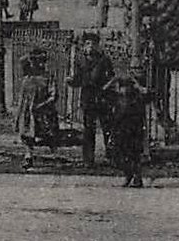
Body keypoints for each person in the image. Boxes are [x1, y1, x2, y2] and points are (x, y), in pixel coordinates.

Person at [67, 33, 114, 167]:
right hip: (87, 96)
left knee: (107, 126)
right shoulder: (80, 60)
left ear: (98, 45)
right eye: (87, 43)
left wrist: (106, 88)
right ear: (84, 45)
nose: (90, 46)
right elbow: (77, 78)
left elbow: (111, 77)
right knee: (88, 128)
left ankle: (110, 156)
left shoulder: (104, 59)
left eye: (93, 43)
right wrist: (71, 82)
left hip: (102, 96)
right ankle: (88, 159)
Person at [13, 52, 58, 171]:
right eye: (36, 61)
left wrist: (43, 104)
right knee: (27, 133)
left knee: (45, 134)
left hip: (43, 111)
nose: (40, 64)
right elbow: (21, 60)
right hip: (27, 110)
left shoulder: (48, 77)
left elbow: (53, 96)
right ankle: (28, 156)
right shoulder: (27, 76)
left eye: (42, 61)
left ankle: (53, 153)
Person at [106, 71, 148, 187]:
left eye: (124, 87)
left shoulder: (136, 98)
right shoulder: (118, 98)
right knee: (119, 154)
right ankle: (129, 174)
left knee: (134, 153)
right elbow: (104, 91)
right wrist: (113, 81)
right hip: (120, 128)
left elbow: (148, 94)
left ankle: (136, 177)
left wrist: (137, 84)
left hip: (133, 129)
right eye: (121, 87)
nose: (122, 90)